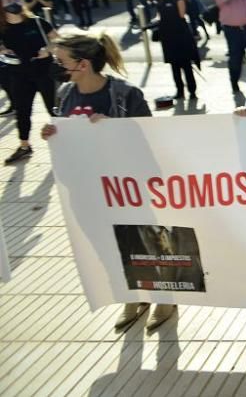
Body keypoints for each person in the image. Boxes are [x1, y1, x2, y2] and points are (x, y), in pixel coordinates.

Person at [41, 33, 176, 331]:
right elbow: (64, 131)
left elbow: (148, 137)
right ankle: (134, 296)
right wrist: (51, 134)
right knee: (108, 245)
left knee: (146, 240)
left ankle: (165, 296)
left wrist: (114, 130)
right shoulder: (64, 92)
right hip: (86, 188)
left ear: (83, 64)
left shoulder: (125, 94)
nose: (56, 65)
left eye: (61, 61)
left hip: (125, 187)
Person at [0, 0, 57, 164]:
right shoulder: (2, 28)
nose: (13, 3)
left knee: (54, 109)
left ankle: (68, 141)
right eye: (8, 1)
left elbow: (57, 40)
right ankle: (24, 146)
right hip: (18, 75)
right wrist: (2, 50)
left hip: (45, 72)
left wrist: (47, 50)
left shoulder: (36, 22)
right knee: (22, 112)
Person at [151, 0, 200, 99]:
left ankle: (192, 90)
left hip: (181, 33)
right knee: (174, 66)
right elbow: (159, 14)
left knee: (186, 64)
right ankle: (179, 91)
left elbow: (181, 15)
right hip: (167, 35)